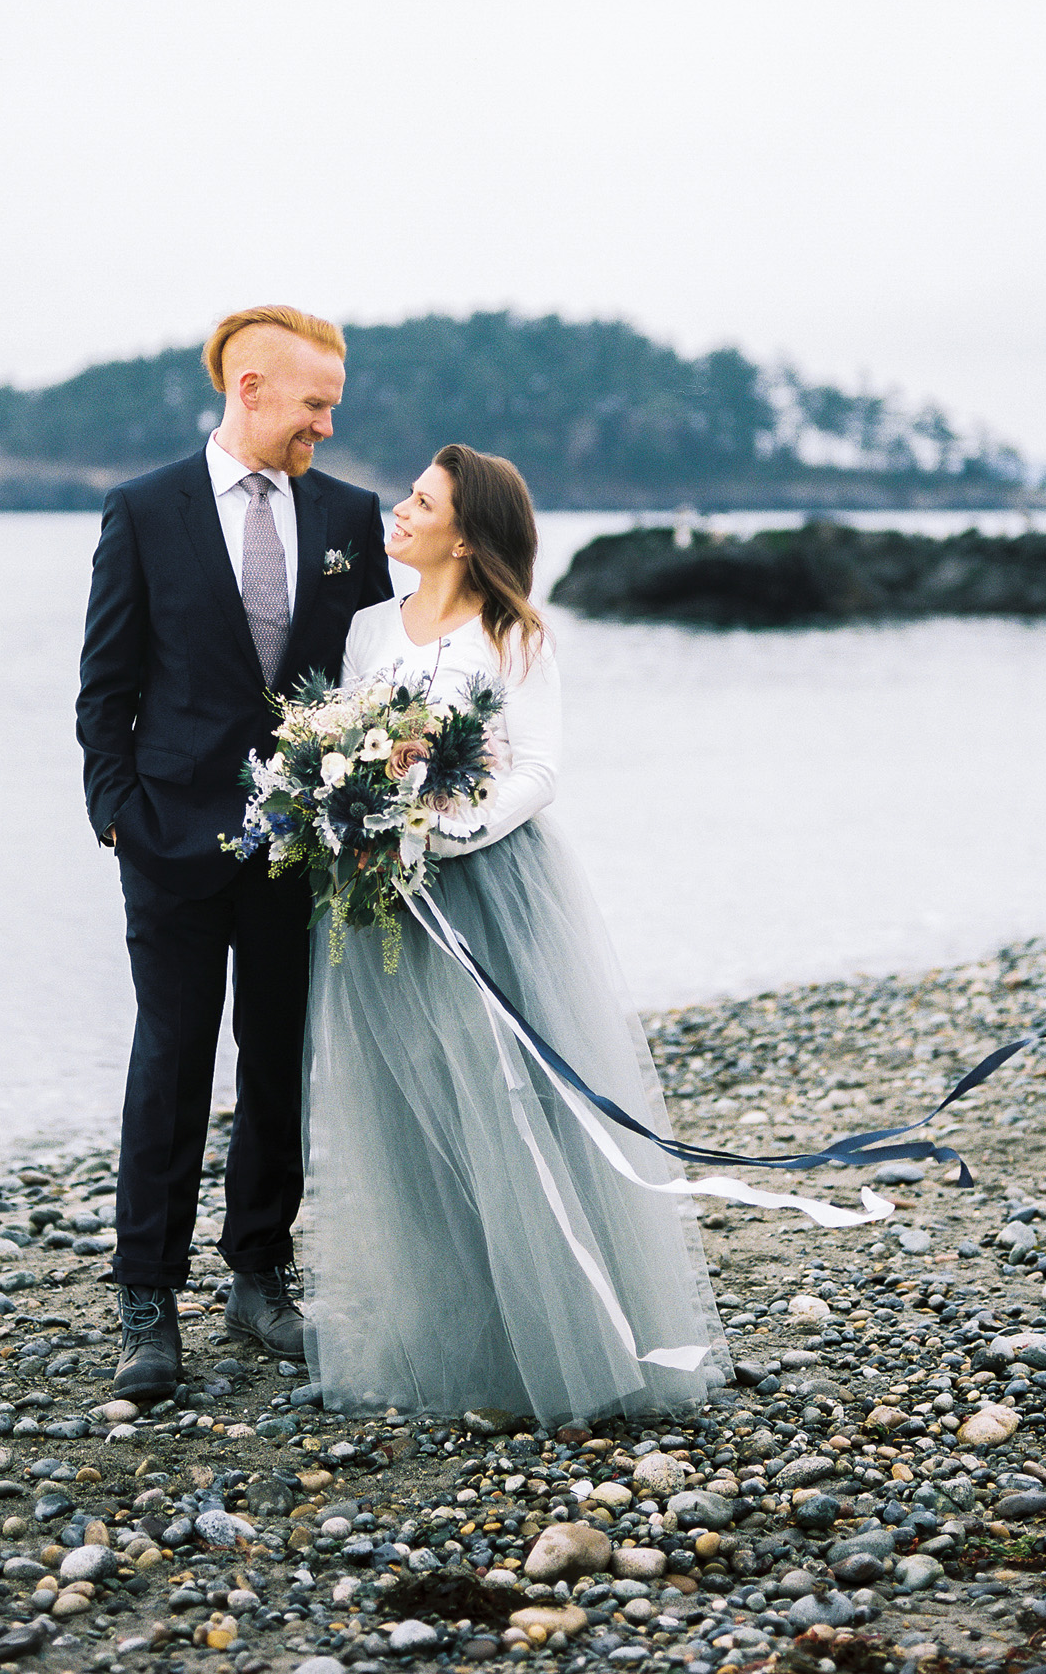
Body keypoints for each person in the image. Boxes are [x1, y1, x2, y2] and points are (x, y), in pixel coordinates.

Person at [302, 444, 729, 1424]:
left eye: (421, 500)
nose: (398, 511)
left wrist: (442, 829)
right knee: (413, 1101)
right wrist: (349, 815)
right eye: (408, 496)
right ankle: (460, 1333)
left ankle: (572, 1335)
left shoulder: (512, 633)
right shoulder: (371, 628)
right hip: (381, 905)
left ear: (466, 530)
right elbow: (345, 739)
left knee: (504, 1097)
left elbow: (537, 769)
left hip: (486, 893)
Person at [77, 305, 392, 1398]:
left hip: (303, 846)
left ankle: (259, 1271)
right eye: (314, 403)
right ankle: (146, 1298)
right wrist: (115, 811)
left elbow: (382, 679)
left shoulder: (352, 513)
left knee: (278, 1059)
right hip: (166, 838)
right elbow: (104, 691)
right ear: (250, 387)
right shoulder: (144, 509)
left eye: (334, 405)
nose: (327, 422)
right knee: (169, 1062)